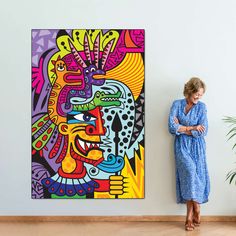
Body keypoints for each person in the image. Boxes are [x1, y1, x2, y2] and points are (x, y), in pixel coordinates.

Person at [168, 77, 210, 231]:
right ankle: (197, 207)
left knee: (195, 178)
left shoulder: (202, 107)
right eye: (197, 94)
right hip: (181, 147)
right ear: (190, 91)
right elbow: (172, 128)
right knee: (190, 174)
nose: (199, 97)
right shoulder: (177, 104)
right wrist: (192, 127)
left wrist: (182, 127)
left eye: (201, 94)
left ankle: (189, 217)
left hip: (198, 148)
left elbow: (203, 131)